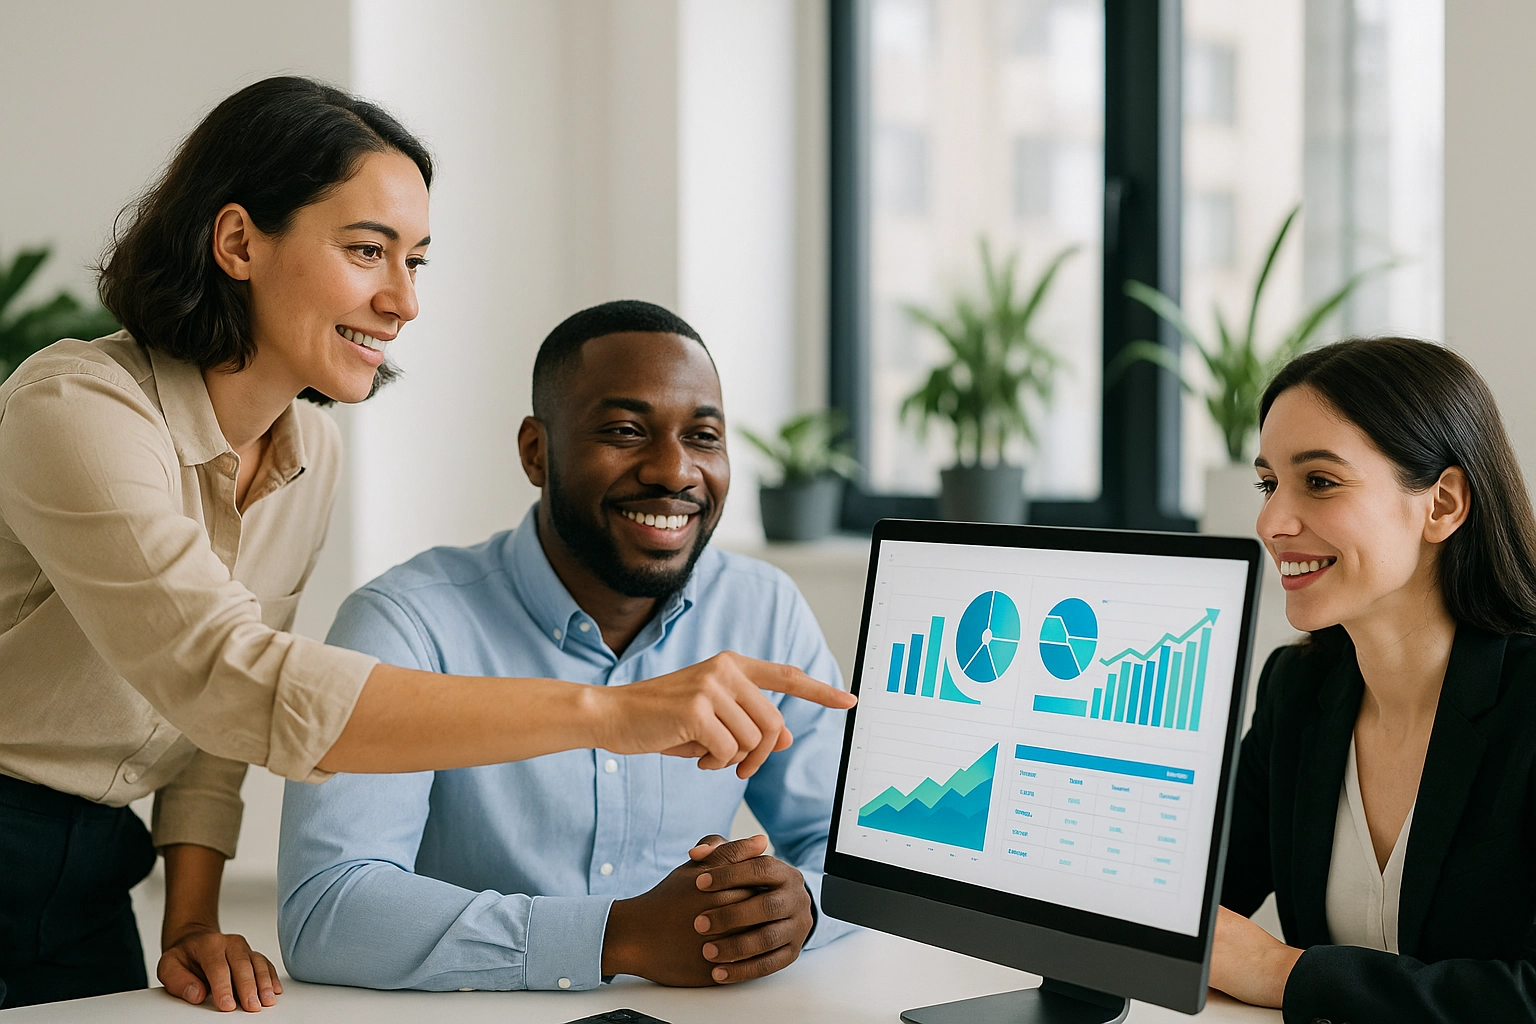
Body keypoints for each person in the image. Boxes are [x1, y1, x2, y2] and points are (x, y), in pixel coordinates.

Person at [0, 80, 852, 1013]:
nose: (403, 301)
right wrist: (612, 715)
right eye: (368, 251)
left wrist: (191, 919)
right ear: (239, 241)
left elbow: (218, 723)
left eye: (416, 261)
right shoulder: (76, 409)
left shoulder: (305, 448)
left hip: (86, 872)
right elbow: (235, 676)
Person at [276, 300, 856, 992]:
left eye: (703, 437)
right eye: (624, 430)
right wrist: (617, 937)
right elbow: (327, 911)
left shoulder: (763, 609)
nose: (674, 471)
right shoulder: (405, 624)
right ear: (536, 451)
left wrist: (795, 909)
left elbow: (852, 850)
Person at [1209, 337, 1536, 1023]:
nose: (1272, 521)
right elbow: (1185, 900)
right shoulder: (1295, 692)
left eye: (1319, 481)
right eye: (1269, 483)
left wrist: (1282, 972)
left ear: (1442, 503)